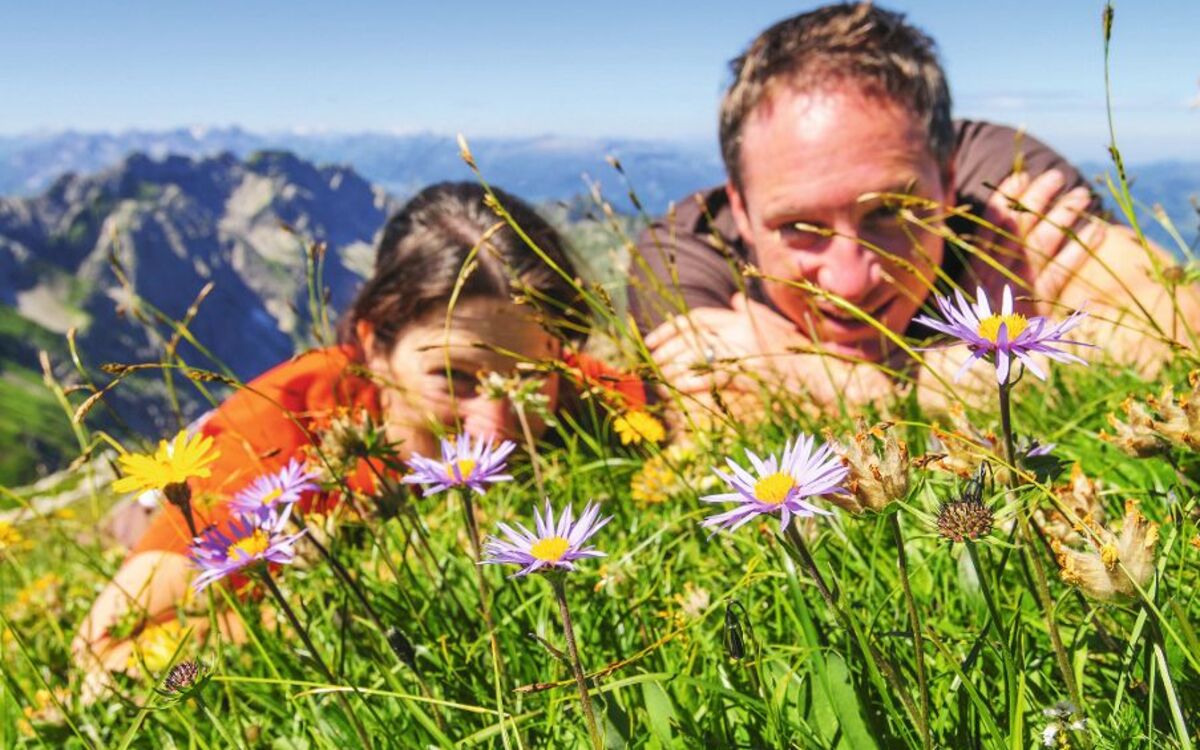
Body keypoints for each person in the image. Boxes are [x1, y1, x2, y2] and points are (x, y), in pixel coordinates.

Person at [73, 181, 643, 683]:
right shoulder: (279, 431)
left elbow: (685, 406)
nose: (493, 430)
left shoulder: (571, 390)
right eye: (453, 377)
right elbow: (100, 652)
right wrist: (317, 608)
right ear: (375, 344)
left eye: (528, 377)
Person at [628, 3, 1199, 416]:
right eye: (799, 228)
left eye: (890, 214)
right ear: (740, 209)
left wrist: (820, 380)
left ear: (949, 181)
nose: (849, 282)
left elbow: (1175, 331)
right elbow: (713, 424)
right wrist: (997, 354)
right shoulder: (680, 257)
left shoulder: (1007, 178)